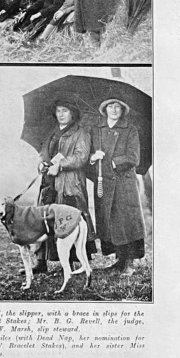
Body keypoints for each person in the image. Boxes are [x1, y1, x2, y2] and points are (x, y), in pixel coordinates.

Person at [35, 99, 96, 272]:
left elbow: (81, 157)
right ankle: (41, 261)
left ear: (72, 114)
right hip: (49, 182)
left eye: (65, 111)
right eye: (58, 111)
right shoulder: (52, 132)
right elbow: (43, 152)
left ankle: (74, 262)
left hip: (70, 183)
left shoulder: (81, 133)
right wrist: (41, 162)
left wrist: (60, 165)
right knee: (44, 218)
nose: (61, 114)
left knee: (70, 219)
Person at [88, 98, 146, 276]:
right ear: (104, 109)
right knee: (110, 222)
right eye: (110, 106)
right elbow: (88, 154)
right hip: (103, 182)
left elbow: (134, 157)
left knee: (126, 221)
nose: (114, 110)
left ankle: (129, 262)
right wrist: (93, 156)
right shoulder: (96, 130)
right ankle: (119, 260)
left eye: (118, 107)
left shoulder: (130, 130)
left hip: (124, 183)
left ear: (123, 110)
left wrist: (113, 161)